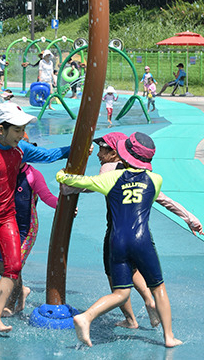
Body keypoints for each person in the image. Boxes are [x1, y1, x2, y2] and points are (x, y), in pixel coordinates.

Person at [62, 131, 203, 329]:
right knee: (135, 269)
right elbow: (163, 199)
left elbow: (87, 186)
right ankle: (150, 301)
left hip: (117, 233)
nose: (98, 154)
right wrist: (190, 218)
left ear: (115, 152)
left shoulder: (109, 169)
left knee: (115, 280)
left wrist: (66, 186)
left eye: (102, 149)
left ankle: (130, 320)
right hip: (142, 233)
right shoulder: (142, 174)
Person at [0, 102, 70, 333]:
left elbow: (48, 156)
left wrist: (74, 149)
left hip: (7, 216)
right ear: (1, 130)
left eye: (22, 129)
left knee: (14, 266)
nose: (21, 135)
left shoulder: (21, 150)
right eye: (17, 130)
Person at [0, 157, 58, 316]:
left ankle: (11, 303)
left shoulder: (32, 175)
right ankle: (21, 290)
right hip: (5, 225)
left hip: (25, 228)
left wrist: (63, 205)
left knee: (13, 266)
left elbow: (47, 197)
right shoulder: (3, 172)